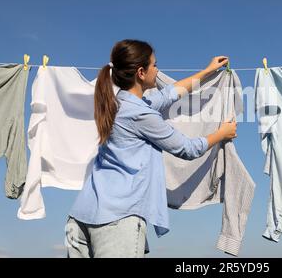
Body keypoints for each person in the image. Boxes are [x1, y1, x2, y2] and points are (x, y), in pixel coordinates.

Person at [65, 39, 237, 258]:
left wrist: (208, 70)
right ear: (141, 72)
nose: (158, 69)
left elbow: (169, 94)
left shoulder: (120, 104)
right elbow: (187, 148)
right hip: (117, 220)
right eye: (154, 65)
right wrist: (223, 133)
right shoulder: (140, 114)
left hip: (81, 216)